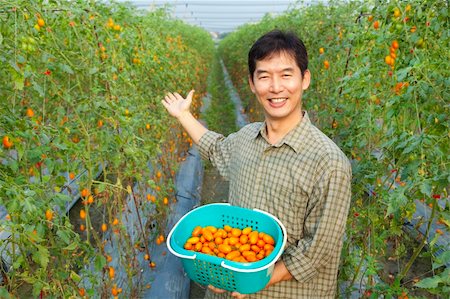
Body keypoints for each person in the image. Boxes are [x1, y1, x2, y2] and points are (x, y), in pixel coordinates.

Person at [162, 29, 352, 299]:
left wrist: (255, 280)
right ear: (252, 83)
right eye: (264, 76)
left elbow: (318, 249)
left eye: (286, 75)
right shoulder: (246, 138)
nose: (275, 87)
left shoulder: (328, 163)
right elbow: (216, 149)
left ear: (305, 79)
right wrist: (183, 115)